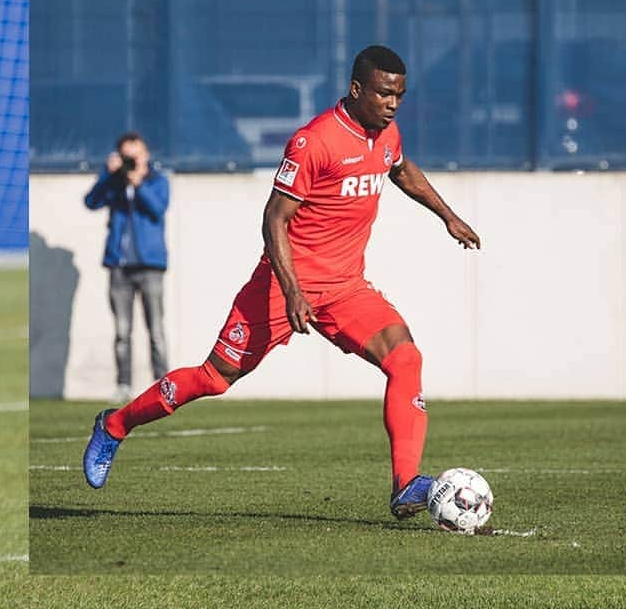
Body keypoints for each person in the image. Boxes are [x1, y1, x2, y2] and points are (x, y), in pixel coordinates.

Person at [83, 46, 481, 521]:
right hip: (280, 286)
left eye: (400, 94)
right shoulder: (314, 142)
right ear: (357, 89)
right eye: (383, 93)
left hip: (346, 288)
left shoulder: (386, 133)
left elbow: (401, 169)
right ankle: (115, 425)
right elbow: (274, 218)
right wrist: (292, 289)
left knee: (405, 357)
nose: (393, 103)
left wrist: (448, 217)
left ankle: (406, 484)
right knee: (214, 378)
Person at [84, 132, 170, 402]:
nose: (131, 161)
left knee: (155, 329)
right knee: (122, 332)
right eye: (126, 155)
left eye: (135, 154)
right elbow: (91, 202)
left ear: (145, 154)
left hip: (150, 265)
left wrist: (139, 183)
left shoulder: (158, 180)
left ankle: (163, 385)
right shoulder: (114, 183)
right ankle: (123, 384)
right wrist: (108, 176)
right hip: (119, 265)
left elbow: (158, 209)